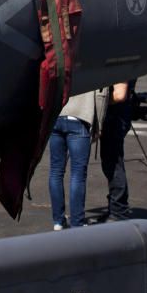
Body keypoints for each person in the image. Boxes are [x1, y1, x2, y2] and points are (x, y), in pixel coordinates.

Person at [49, 89, 108, 230]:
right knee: (78, 174)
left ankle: (58, 220)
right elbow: (101, 94)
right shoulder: (91, 65)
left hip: (56, 116)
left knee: (56, 171)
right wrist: (98, 124)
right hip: (79, 117)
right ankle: (77, 222)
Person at [99, 80, 135, 221]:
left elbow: (120, 95)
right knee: (111, 162)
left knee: (113, 164)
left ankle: (118, 211)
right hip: (118, 114)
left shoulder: (121, 62)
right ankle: (115, 208)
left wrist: (97, 101)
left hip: (116, 117)